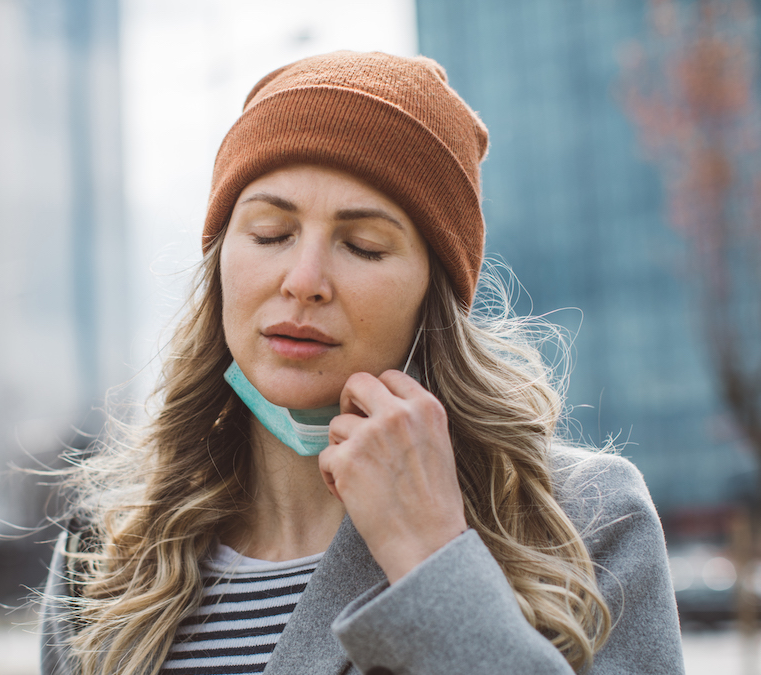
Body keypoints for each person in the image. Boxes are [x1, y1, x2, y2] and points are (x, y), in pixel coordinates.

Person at [41, 51, 684, 675]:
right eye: (269, 234)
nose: (305, 280)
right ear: (220, 263)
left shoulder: (584, 518)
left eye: (364, 246)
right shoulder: (106, 547)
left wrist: (434, 558)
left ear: (434, 296)